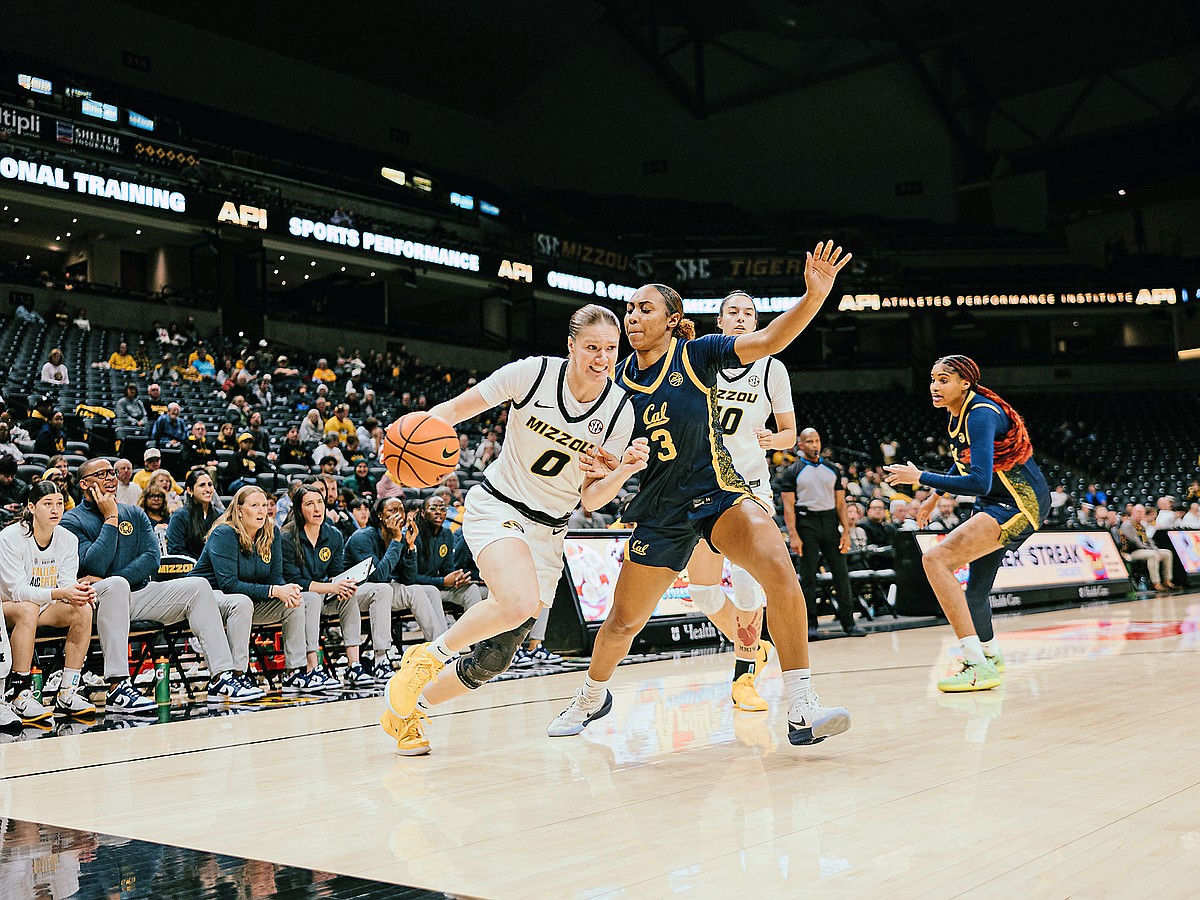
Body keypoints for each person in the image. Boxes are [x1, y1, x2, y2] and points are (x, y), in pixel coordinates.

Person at [540, 247, 853, 746]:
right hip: (661, 511)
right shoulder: (615, 383)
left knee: (778, 568)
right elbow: (601, 456)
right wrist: (607, 462)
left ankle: (800, 703)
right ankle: (592, 696)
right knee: (623, 622)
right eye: (630, 309)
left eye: (645, 308)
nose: (633, 316)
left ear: (672, 320)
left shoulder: (699, 353)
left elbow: (771, 337)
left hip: (719, 493)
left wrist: (814, 295)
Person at [382, 304, 641, 755]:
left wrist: (622, 470)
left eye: (611, 350)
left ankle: (409, 711)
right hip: (498, 506)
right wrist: (410, 438)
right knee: (517, 600)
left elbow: (592, 499)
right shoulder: (532, 375)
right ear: (571, 346)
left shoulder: (619, 413)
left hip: (550, 532)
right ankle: (425, 658)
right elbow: (456, 410)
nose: (602, 359)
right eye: (592, 347)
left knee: (494, 660)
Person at [884, 355, 1050, 692]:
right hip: (998, 502)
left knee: (935, 559)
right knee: (975, 592)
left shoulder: (981, 414)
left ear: (965, 383)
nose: (934, 386)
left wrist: (919, 477)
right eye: (932, 379)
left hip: (1017, 503)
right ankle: (990, 657)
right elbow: (964, 467)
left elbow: (979, 481)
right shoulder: (958, 414)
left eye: (944, 380)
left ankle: (974, 664)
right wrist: (933, 494)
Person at [671, 290, 801, 710]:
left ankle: (743, 676)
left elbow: (789, 434)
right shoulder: (699, 362)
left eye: (749, 313)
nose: (742, 318)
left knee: (748, 587)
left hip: (749, 491)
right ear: (720, 322)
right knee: (704, 594)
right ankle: (755, 647)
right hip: (702, 489)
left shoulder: (771, 369)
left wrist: (773, 438)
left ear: (757, 322)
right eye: (733, 312)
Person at [62, 458, 260, 709]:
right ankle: (117, 685)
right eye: (101, 474)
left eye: (111, 473)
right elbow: (92, 566)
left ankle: (221, 677)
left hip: (138, 593)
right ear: (83, 484)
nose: (110, 478)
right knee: (116, 587)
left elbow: (152, 558)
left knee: (197, 586)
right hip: (96, 601)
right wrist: (111, 518)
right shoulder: (72, 521)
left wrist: (117, 576)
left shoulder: (134, 512)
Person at [190, 485, 315, 694]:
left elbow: (276, 577)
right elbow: (228, 584)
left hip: (246, 602)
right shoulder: (224, 533)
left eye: (264, 505)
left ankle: (295, 672)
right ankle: (239, 674)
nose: (261, 511)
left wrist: (286, 590)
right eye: (254, 505)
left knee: (296, 602)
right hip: (208, 601)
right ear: (239, 510)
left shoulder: (272, 531)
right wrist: (274, 590)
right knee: (241, 602)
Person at [0, 482, 97, 721]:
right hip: (8, 607)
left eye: (59, 504)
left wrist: (79, 592)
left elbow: (65, 582)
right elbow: (17, 590)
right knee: (27, 608)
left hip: (43, 606)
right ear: (32, 507)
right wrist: (58, 593)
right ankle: (20, 692)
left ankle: (68, 690)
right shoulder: (10, 537)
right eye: (47, 504)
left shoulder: (68, 539)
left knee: (82, 609)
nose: (55, 510)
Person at [344, 496, 446, 680]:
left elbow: (409, 578)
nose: (398, 515)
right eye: (392, 510)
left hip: (382, 592)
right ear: (380, 516)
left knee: (427, 590)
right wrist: (397, 542)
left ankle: (441, 650)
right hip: (352, 594)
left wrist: (410, 546)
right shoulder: (363, 538)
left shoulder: (398, 537)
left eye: (401, 510)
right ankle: (381, 659)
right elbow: (378, 577)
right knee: (383, 589)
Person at [281, 484, 371, 689]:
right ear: (298, 509)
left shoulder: (333, 535)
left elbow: (336, 573)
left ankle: (354, 665)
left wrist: (345, 583)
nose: (316, 509)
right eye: (309, 504)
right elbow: (294, 581)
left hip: (324, 595)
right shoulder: (286, 537)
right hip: (296, 598)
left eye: (319, 503)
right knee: (311, 598)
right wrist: (331, 587)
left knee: (349, 595)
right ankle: (313, 667)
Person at [780, 428, 866, 639]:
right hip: (806, 523)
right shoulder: (793, 471)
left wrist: (846, 531)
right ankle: (810, 624)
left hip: (829, 522)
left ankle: (849, 622)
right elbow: (788, 507)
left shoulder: (832, 469)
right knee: (808, 577)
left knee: (841, 574)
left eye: (817, 441)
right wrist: (793, 534)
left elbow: (840, 503)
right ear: (800, 445)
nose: (815, 445)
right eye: (809, 441)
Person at [413, 495, 484, 615]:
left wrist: (457, 578)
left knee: (472, 589)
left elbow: (447, 569)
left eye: (442, 509)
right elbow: (410, 577)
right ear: (423, 513)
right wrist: (442, 581)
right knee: (432, 592)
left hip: (436, 586)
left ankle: (476, 632)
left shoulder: (447, 535)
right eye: (433, 508)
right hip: (415, 589)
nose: (438, 512)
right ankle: (442, 633)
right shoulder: (413, 535)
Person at [1119, 504, 1178, 592]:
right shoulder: (1127, 525)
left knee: (1167, 553)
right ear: (1132, 513)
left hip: (1144, 550)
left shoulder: (1141, 525)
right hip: (1131, 552)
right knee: (1153, 555)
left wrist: (1155, 549)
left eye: (1142, 513)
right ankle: (1156, 583)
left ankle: (1167, 580)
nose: (1140, 514)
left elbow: (1149, 540)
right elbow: (1135, 542)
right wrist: (1152, 551)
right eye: (1138, 512)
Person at [166, 470, 220, 559]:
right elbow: (176, 550)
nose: (208, 489)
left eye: (210, 484)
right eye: (202, 485)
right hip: (189, 570)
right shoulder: (179, 516)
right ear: (190, 490)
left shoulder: (220, 516)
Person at [0, 455, 29, 524]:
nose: (10, 479)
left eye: (12, 476)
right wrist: (4, 507)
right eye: (6, 476)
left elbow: (28, 506)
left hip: (18, 519)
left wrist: (20, 508)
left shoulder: (22, 487)